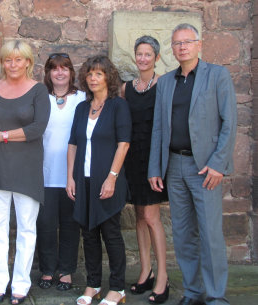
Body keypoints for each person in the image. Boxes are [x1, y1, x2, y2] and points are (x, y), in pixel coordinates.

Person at [148, 24, 237, 305]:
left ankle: (215, 296)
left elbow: (229, 123)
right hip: (174, 166)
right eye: (176, 43)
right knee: (183, 233)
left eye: (187, 42)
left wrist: (218, 165)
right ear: (171, 49)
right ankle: (193, 292)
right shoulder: (165, 82)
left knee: (210, 235)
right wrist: (154, 168)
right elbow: (158, 129)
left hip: (205, 168)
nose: (182, 47)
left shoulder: (218, 76)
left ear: (199, 45)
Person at [0, 40, 50, 305]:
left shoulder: (38, 91)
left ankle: (20, 284)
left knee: (27, 228)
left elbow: (38, 128)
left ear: (28, 62)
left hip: (27, 165)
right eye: (8, 59)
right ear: (3, 62)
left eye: (19, 59)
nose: (13, 64)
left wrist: (2, 135)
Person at [67, 55, 131, 305]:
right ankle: (93, 285)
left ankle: (117, 288)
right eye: (90, 74)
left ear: (108, 78)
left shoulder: (118, 106)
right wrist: (70, 178)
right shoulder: (83, 108)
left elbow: (123, 144)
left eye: (98, 74)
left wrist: (112, 178)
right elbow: (73, 144)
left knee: (111, 233)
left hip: (107, 181)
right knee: (89, 234)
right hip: (83, 180)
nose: (93, 78)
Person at [120, 36, 169, 304]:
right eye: (139, 53)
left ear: (156, 58)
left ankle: (163, 277)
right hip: (133, 158)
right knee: (139, 215)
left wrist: (160, 163)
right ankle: (146, 271)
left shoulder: (163, 84)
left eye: (148, 54)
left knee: (152, 217)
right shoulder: (127, 88)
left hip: (154, 159)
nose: (142, 58)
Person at [36, 53, 86, 291]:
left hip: (71, 174)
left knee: (69, 224)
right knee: (45, 224)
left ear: (71, 72)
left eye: (64, 68)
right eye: (54, 68)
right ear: (48, 73)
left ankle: (65, 271)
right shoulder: (39, 97)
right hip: (43, 172)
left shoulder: (82, 99)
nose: (59, 72)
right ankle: (47, 270)